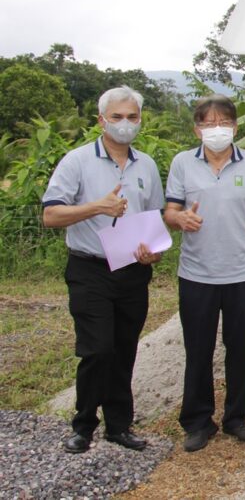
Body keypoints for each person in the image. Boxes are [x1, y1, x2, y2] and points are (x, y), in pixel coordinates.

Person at [41, 86, 164, 454]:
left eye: (132, 117)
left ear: (140, 120)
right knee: (97, 349)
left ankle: (119, 425)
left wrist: (153, 253)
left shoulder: (147, 165)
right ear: (101, 120)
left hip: (132, 272)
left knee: (124, 349)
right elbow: (51, 215)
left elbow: (153, 219)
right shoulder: (77, 161)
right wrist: (97, 207)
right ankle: (83, 424)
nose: (125, 123)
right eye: (117, 117)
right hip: (90, 269)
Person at [164, 95, 245, 452]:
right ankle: (198, 422)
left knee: (239, 348)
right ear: (197, 129)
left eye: (224, 122)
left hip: (243, 273)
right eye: (209, 123)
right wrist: (179, 218)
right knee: (198, 349)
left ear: (235, 127)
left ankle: (236, 418)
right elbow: (170, 211)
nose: (217, 129)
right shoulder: (182, 163)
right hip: (197, 274)